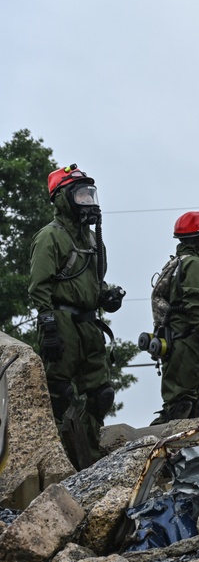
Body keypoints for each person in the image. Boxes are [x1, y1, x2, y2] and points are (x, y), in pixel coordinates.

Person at [29, 164, 124, 469]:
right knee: (59, 396)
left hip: (88, 324)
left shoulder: (94, 240)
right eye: (80, 194)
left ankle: (88, 455)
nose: (87, 200)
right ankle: (57, 461)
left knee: (102, 394)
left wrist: (106, 296)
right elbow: (39, 286)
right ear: (63, 198)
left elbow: (95, 280)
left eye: (89, 194)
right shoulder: (50, 237)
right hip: (62, 323)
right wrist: (48, 324)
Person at [148, 211, 199, 424]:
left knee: (192, 400)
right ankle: (157, 449)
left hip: (179, 341)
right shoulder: (195, 264)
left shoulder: (180, 262)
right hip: (188, 342)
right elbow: (195, 306)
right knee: (181, 404)